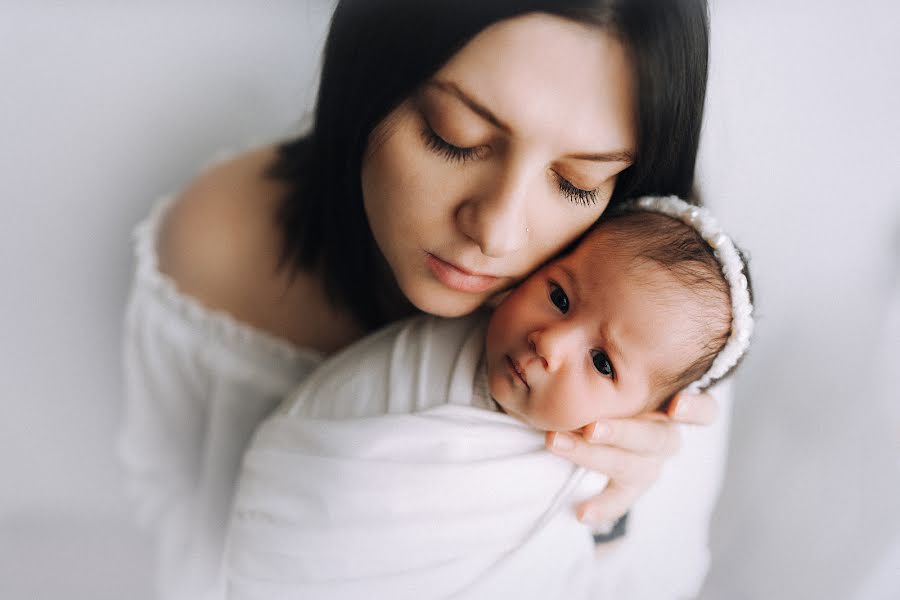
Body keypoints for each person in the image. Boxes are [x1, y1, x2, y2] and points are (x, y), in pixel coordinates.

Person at [117, 2, 721, 599]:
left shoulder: (667, 307)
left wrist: (611, 511)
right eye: (454, 138)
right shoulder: (216, 252)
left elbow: (659, 574)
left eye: (575, 183)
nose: (496, 233)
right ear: (368, 79)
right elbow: (163, 512)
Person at [226, 196, 754, 599]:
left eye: (602, 363)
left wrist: (608, 524)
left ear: (645, 417)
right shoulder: (448, 328)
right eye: (559, 296)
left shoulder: (588, 469)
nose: (550, 342)